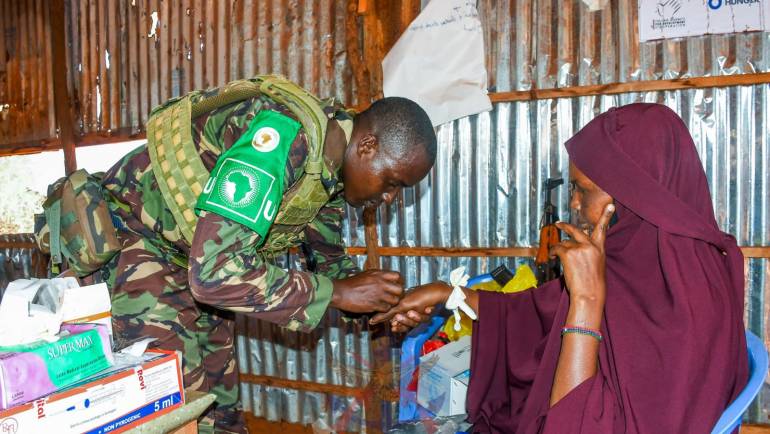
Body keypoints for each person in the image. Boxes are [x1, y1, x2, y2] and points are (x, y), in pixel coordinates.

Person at [372, 103, 748, 433]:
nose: (573, 204)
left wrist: (586, 299)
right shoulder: (637, 263)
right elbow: (533, 315)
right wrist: (448, 294)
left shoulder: (688, 305)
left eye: (583, 190)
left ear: (635, 194)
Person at [99, 76, 437, 433]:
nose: (390, 199)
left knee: (221, 409)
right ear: (367, 145)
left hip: (194, 258)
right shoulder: (283, 138)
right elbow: (216, 274)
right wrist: (339, 293)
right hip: (141, 241)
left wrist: (384, 305)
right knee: (175, 413)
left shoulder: (330, 169)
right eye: (394, 183)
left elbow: (331, 264)